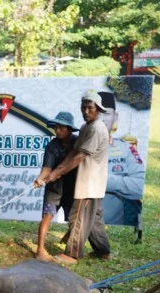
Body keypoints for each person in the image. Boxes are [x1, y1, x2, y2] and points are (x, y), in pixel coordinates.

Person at [41, 90, 112, 264]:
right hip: (90, 183)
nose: (86, 112)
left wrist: (57, 173)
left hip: (89, 182)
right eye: (83, 108)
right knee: (93, 220)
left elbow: (80, 157)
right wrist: (57, 170)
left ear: (98, 110)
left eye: (90, 108)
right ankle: (103, 251)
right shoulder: (85, 127)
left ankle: (72, 254)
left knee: (77, 217)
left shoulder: (96, 129)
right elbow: (74, 151)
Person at [33, 111, 78, 260]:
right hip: (54, 186)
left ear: (69, 129)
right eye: (55, 127)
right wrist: (40, 178)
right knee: (47, 216)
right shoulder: (52, 145)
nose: (57, 130)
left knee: (75, 220)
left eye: (61, 127)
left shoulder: (78, 143)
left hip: (74, 187)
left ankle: (70, 250)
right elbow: (47, 167)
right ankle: (40, 250)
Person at [98, 91, 146, 230]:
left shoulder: (126, 149)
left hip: (115, 228)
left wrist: (106, 181)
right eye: (98, 113)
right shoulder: (76, 147)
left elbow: (139, 187)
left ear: (115, 117)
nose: (102, 119)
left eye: (107, 113)